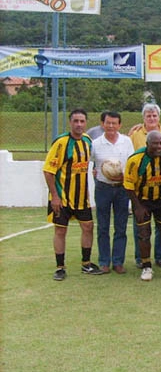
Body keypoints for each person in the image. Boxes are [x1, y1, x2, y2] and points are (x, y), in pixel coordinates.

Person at [43, 108, 100, 280]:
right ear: (70, 122)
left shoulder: (88, 141)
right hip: (62, 198)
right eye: (76, 121)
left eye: (82, 121)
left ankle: (86, 264)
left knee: (88, 227)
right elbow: (48, 171)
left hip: (82, 198)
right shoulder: (61, 143)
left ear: (86, 123)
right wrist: (55, 196)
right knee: (60, 231)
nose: (79, 124)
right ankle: (60, 267)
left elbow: (93, 162)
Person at [124, 131, 161, 281]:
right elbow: (128, 185)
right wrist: (137, 206)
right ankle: (146, 266)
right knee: (144, 233)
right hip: (143, 201)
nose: (159, 146)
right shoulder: (136, 159)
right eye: (155, 143)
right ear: (147, 144)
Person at [129, 102, 161, 268]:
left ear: (159, 117)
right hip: (141, 189)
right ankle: (141, 259)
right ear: (143, 118)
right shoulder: (135, 133)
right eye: (148, 116)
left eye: (154, 115)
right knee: (141, 228)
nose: (151, 118)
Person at [90, 111, 134, 275]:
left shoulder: (126, 141)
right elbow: (90, 162)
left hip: (121, 188)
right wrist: (96, 171)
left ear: (119, 125)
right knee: (103, 226)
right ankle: (104, 261)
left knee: (121, 226)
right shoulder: (95, 144)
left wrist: (125, 175)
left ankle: (118, 261)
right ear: (102, 124)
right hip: (103, 187)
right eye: (108, 123)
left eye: (114, 123)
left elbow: (131, 162)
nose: (111, 126)